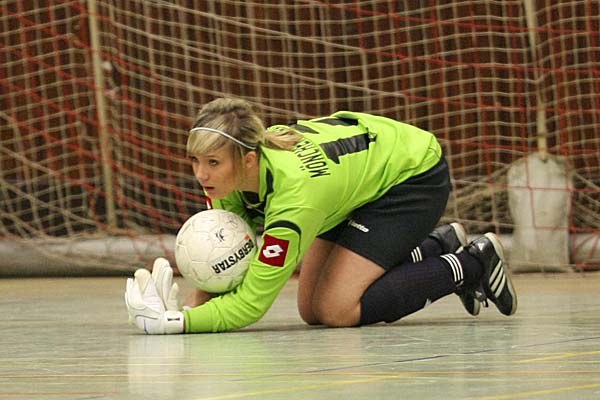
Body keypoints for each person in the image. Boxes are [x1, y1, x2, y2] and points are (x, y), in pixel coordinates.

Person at [125, 98, 518, 334]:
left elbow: (251, 303)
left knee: (336, 309)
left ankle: (473, 263)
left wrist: (178, 324)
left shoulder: (294, 202)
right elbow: (229, 266)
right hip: (353, 184)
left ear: (248, 160)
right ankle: (434, 246)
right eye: (195, 161)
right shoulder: (229, 181)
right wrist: (188, 309)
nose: (201, 175)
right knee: (310, 310)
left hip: (411, 177)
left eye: (212, 162)